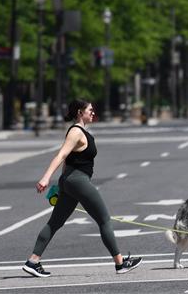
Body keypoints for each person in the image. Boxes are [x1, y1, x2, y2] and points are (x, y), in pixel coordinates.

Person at [22, 99, 141, 278]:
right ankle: (120, 263)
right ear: (80, 112)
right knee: (104, 220)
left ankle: (33, 261)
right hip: (78, 181)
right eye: (90, 110)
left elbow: (68, 160)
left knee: (55, 223)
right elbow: (61, 155)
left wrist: (62, 184)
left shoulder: (80, 131)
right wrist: (46, 178)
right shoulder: (76, 132)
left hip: (70, 181)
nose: (93, 113)